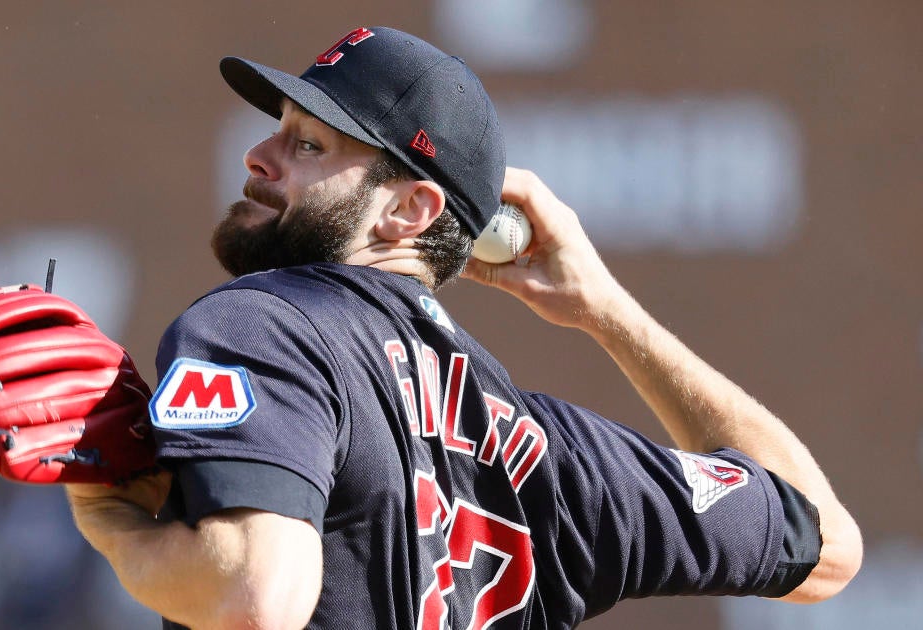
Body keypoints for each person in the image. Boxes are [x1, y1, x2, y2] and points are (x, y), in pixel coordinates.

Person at [66, 26, 862, 629]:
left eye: (306, 143)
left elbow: (255, 594)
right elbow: (826, 546)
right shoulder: (555, 458)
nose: (259, 156)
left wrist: (116, 529)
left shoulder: (266, 325)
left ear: (411, 210)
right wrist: (609, 314)